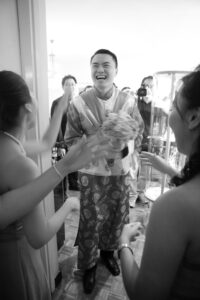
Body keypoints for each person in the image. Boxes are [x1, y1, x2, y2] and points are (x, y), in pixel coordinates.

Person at [0, 70, 111, 300]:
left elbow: (45, 143)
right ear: (28, 106)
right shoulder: (23, 166)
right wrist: (70, 204)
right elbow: (38, 236)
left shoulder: (8, 144)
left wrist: (61, 106)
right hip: (16, 260)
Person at [64, 49, 144, 294]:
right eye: (95, 65)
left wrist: (124, 143)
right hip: (91, 174)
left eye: (106, 65)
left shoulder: (129, 102)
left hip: (119, 172)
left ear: (116, 70)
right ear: (90, 70)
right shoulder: (77, 103)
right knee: (90, 221)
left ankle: (109, 254)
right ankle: (88, 266)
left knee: (116, 217)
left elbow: (139, 133)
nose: (100, 70)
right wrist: (93, 145)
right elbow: (70, 139)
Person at [119, 70, 200, 299]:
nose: (169, 113)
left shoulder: (173, 206)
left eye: (174, 106)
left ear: (194, 118)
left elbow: (144, 294)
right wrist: (171, 171)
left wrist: (123, 242)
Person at [51, 74, 79, 192]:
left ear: (75, 86)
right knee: (62, 163)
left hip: (75, 140)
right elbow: (55, 123)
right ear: (63, 87)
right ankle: (61, 189)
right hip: (62, 140)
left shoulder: (79, 102)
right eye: (67, 84)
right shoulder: (57, 102)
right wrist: (60, 143)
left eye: (72, 84)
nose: (70, 87)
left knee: (74, 163)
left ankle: (74, 184)